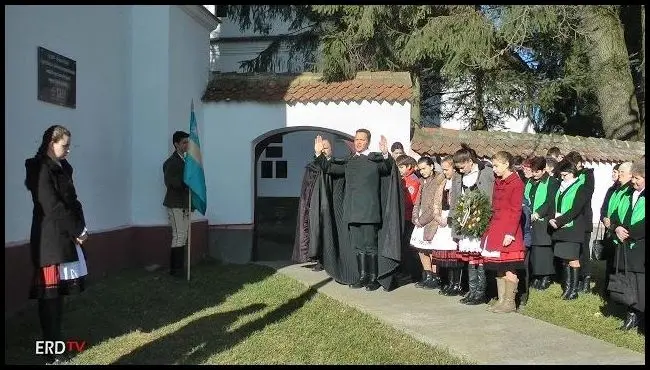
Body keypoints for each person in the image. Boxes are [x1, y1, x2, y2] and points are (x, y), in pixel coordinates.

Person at [25, 125, 89, 364]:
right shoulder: (39, 168)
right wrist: (75, 229)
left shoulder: (65, 167)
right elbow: (52, 206)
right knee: (49, 298)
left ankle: (56, 345)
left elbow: (73, 200)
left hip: (66, 237)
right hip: (49, 240)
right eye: (65, 145)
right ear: (51, 143)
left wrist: (82, 227)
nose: (69, 150)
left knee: (59, 296)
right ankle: (51, 353)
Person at [312, 130, 403, 291]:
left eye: (362, 139)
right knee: (359, 246)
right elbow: (329, 168)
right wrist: (319, 153)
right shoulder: (350, 161)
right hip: (352, 211)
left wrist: (385, 153)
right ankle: (363, 276)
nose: (358, 142)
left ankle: (374, 278)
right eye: (356, 139)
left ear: (368, 142)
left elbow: (389, 168)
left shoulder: (374, 160)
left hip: (369, 211)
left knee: (370, 246)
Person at [448, 144, 495, 299]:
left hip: (481, 220)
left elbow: (493, 197)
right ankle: (472, 290)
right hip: (465, 220)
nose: (460, 171)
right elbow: (455, 201)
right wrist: (455, 224)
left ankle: (481, 292)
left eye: (462, 167)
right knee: (469, 257)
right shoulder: (458, 177)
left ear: (469, 161)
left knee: (479, 256)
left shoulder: (486, 173)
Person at [481, 151, 525, 313]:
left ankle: (510, 302)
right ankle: (501, 300)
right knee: (499, 266)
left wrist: (510, 233)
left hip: (508, 231)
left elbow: (516, 210)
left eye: (497, 166)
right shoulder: (498, 181)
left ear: (506, 164)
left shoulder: (516, 183)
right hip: (495, 229)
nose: (494, 169)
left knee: (509, 267)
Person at [608, 159, 645, 333]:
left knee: (640, 283)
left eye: (638, 178)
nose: (634, 181)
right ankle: (631, 315)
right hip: (624, 245)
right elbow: (613, 215)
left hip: (639, 245)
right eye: (634, 178)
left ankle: (639, 315)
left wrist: (628, 232)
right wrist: (616, 228)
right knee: (629, 281)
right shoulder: (626, 193)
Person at [548, 159, 590, 300]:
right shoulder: (561, 186)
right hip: (560, 227)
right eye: (561, 175)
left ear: (572, 173)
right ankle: (567, 288)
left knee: (573, 259)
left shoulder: (581, 187)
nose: (562, 177)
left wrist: (559, 221)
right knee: (564, 260)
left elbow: (575, 210)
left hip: (573, 229)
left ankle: (574, 290)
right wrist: (552, 218)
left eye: (565, 175)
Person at [292, 138, 336, 270]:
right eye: (320, 149)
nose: (323, 151)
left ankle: (332, 261)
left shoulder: (336, 165)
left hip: (332, 205)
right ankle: (319, 260)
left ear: (331, 150)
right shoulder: (312, 167)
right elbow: (307, 188)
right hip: (316, 206)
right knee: (317, 233)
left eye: (326, 148)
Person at [409, 156, 445, 289]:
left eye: (424, 168)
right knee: (421, 249)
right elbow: (417, 201)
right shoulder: (421, 181)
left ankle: (435, 277)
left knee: (431, 250)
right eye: (420, 169)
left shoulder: (438, 180)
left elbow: (435, 203)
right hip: (420, 218)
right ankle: (428, 275)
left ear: (431, 166)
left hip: (431, 219)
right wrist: (415, 217)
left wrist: (422, 220)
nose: (422, 171)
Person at [429, 156, 463, 292]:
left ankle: (456, 283)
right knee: (444, 253)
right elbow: (436, 202)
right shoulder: (443, 182)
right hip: (442, 218)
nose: (444, 172)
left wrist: (449, 218)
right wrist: (437, 216)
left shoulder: (458, 182)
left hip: (453, 218)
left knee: (453, 253)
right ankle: (448, 282)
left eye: (447, 169)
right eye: (443, 169)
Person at [526, 156, 560, 291]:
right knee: (533, 250)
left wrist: (538, 213)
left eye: (536, 171)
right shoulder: (530, 182)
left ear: (543, 169)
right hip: (530, 220)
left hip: (542, 220)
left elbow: (550, 201)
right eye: (532, 171)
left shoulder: (551, 182)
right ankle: (536, 275)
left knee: (543, 250)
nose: (534, 174)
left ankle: (546, 276)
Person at [564, 151, 595, 293]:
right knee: (573, 251)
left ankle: (586, 278)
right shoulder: (570, 175)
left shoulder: (587, 175)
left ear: (578, 164)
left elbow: (586, 194)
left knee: (584, 250)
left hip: (584, 217)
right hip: (571, 218)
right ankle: (572, 280)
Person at [599, 163, 630, 296]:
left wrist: (614, 224)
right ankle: (608, 289)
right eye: (618, 171)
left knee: (619, 264)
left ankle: (616, 292)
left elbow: (621, 212)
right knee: (610, 262)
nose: (619, 174)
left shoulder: (630, 191)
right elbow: (606, 208)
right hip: (611, 231)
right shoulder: (615, 189)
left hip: (621, 232)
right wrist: (604, 217)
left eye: (622, 172)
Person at [163, 131, 190, 277]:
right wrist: (185, 183)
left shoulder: (186, 160)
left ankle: (180, 267)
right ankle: (175, 269)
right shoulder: (171, 162)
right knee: (178, 235)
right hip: (175, 203)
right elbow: (169, 181)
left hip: (185, 203)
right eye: (184, 142)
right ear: (176, 144)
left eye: (187, 142)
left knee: (183, 235)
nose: (187, 145)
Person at [396, 154, 422, 283]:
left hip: (409, 218)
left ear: (409, 167)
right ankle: (405, 271)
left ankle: (412, 273)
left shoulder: (412, 181)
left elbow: (410, 201)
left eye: (401, 167)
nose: (399, 169)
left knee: (409, 247)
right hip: (403, 217)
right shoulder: (403, 178)